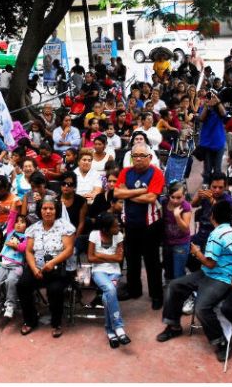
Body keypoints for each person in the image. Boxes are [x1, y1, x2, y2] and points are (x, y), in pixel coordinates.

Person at [156, 200, 232, 363]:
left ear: (213, 217)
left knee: (201, 308)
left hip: (220, 278)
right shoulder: (231, 230)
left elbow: (209, 262)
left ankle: (221, 341)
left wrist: (196, 252)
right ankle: (173, 326)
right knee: (175, 286)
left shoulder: (216, 235)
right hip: (208, 274)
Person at [114, 144, 165, 309]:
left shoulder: (156, 173)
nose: (138, 158)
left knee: (152, 261)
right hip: (130, 223)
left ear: (150, 157)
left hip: (150, 225)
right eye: (135, 155)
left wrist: (128, 194)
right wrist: (139, 191)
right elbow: (116, 193)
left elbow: (150, 198)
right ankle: (134, 290)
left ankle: (156, 295)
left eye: (142, 155)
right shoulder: (125, 172)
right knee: (132, 259)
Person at [16, 197, 76, 337]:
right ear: (40, 210)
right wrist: (34, 268)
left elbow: (69, 250)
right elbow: (29, 251)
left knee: (54, 290)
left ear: (56, 210)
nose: (48, 211)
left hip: (58, 268)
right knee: (22, 285)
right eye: (44, 208)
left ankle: (56, 323)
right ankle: (30, 320)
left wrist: (52, 262)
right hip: (37, 267)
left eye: (51, 208)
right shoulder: (33, 228)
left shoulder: (65, 227)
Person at [88, 212, 130, 348]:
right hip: (98, 272)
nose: (118, 228)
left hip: (114, 272)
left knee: (107, 297)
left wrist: (99, 255)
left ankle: (110, 331)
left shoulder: (119, 236)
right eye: (115, 226)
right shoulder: (94, 235)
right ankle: (118, 327)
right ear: (105, 228)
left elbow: (119, 259)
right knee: (111, 290)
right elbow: (90, 258)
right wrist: (109, 257)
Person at [0, 212, 28, 320]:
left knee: (11, 281)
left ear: (27, 226)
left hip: (17, 266)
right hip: (4, 264)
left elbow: (24, 248)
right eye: (17, 222)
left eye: (22, 222)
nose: (18, 224)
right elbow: (11, 218)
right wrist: (14, 207)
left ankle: (10, 306)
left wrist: (15, 245)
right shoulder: (10, 232)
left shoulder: (27, 237)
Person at [160, 181, 193, 282]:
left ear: (184, 196)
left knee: (178, 274)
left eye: (179, 198)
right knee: (168, 271)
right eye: (172, 197)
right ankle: (169, 292)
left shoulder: (186, 207)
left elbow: (185, 228)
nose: (175, 200)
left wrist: (177, 216)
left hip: (181, 244)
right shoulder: (164, 203)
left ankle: (179, 295)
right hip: (167, 243)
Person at [198, 91, 228, 184]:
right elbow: (201, 118)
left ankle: (217, 190)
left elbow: (224, 114)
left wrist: (217, 102)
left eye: (212, 97)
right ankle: (205, 189)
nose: (210, 99)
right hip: (207, 144)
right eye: (208, 97)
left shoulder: (220, 108)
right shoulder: (204, 107)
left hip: (219, 143)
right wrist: (207, 106)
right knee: (207, 170)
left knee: (217, 170)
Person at [59, 170, 89, 253]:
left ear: (74, 186)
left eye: (70, 184)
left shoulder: (81, 201)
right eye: (63, 184)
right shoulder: (55, 200)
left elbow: (81, 223)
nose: (66, 186)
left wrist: (75, 238)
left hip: (74, 235)